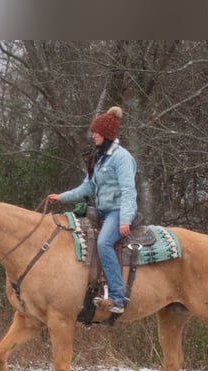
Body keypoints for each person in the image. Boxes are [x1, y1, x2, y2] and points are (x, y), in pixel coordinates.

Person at [48, 106, 138, 314]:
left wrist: (125, 220)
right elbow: (87, 188)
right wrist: (61, 197)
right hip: (102, 211)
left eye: (96, 132)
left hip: (117, 212)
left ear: (106, 134)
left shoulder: (122, 158)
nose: (93, 135)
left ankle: (117, 297)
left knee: (104, 242)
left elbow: (128, 191)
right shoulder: (98, 158)